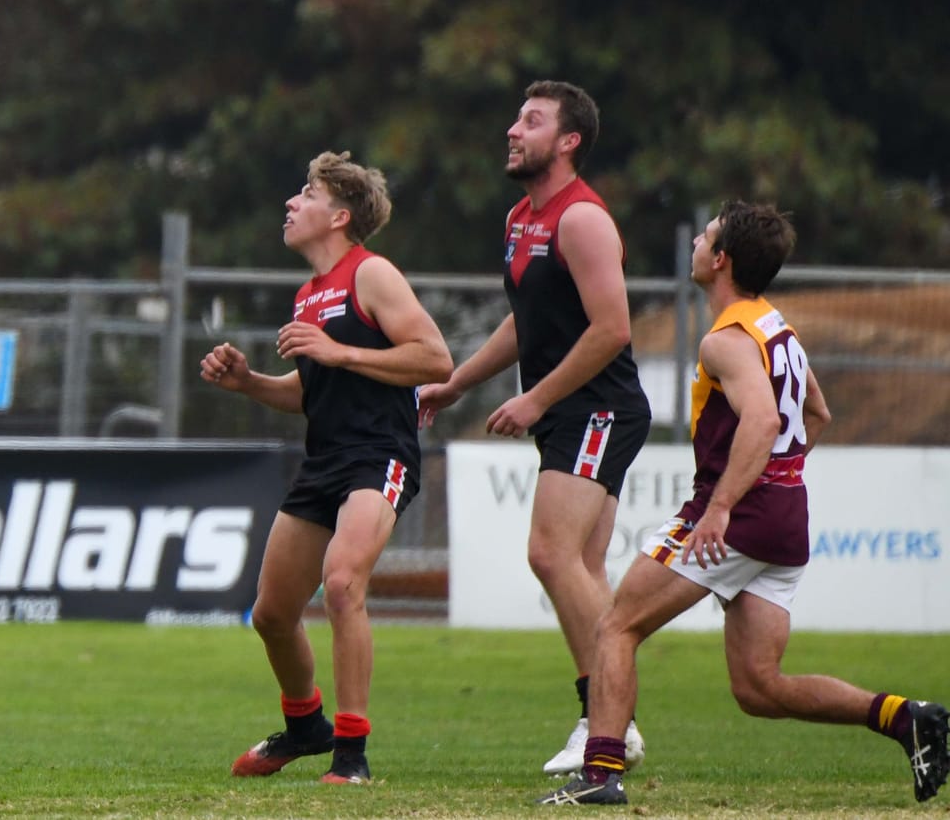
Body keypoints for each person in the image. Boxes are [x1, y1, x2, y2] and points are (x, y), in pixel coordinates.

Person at [541, 202, 947, 805]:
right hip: (784, 517)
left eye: (704, 238)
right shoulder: (774, 327)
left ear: (721, 259)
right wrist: (778, 477)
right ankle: (905, 718)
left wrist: (725, 504)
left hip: (741, 514)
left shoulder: (725, 341)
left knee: (617, 625)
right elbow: (817, 412)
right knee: (759, 687)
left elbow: (760, 417)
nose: (697, 246)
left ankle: (600, 774)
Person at [417, 81, 651, 773]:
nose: (513, 130)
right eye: (517, 118)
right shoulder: (524, 216)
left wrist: (535, 400)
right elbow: (531, 320)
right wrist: (461, 380)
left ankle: (606, 719)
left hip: (598, 407)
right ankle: (611, 722)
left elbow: (612, 330)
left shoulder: (581, 219)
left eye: (532, 120)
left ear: (569, 140)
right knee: (580, 566)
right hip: (571, 410)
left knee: (550, 554)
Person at [201, 152, 452, 785]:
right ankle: (305, 724)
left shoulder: (372, 274)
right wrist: (249, 382)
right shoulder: (309, 293)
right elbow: (311, 392)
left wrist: (338, 350)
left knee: (342, 585)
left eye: (305, 193)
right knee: (271, 613)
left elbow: (435, 359)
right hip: (326, 459)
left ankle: (351, 752)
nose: (291, 203)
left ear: (339, 215)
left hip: (380, 455)